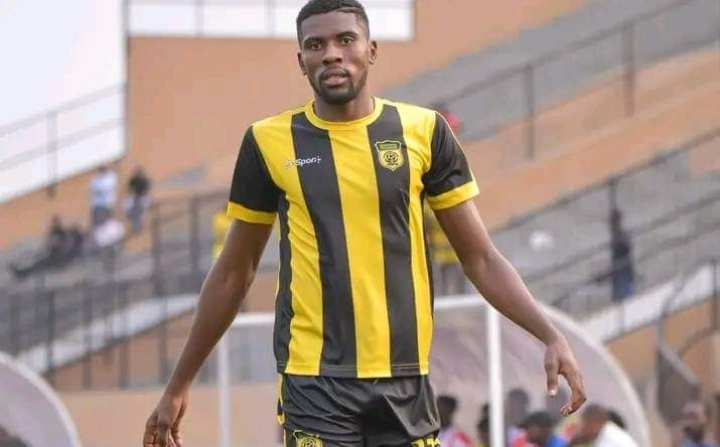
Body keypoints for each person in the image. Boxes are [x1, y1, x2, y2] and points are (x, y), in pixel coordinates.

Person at [141, 1, 586, 447]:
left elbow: (481, 259)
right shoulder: (268, 142)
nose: (331, 54)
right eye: (316, 45)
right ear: (301, 60)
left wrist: (549, 335)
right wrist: (179, 384)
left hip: (405, 379)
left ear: (370, 50)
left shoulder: (424, 131)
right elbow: (234, 272)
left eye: (345, 40)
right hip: (314, 381)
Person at [568, 404, 638, 447]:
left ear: (593, 422)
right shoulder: (611, 432)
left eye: (583, 424)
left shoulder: (609, 440)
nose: (581, 430)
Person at [609, 208, 634, 302]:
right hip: (623, 284)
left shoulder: (621, 241)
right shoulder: (621, 239)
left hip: (623, 286)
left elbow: (618, 268)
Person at [124, 166, 151, 232]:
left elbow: (146, 190)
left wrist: (139, 196)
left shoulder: (144, 180)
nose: (138, 175)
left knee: (142, 212)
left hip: (143, 197)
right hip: (135, 197)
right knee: (132, 210)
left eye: (139, 174)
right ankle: (136, 224)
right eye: (137, 174)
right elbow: (129, 188)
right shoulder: (133, 180)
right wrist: (133, 195)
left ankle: (139, 225)